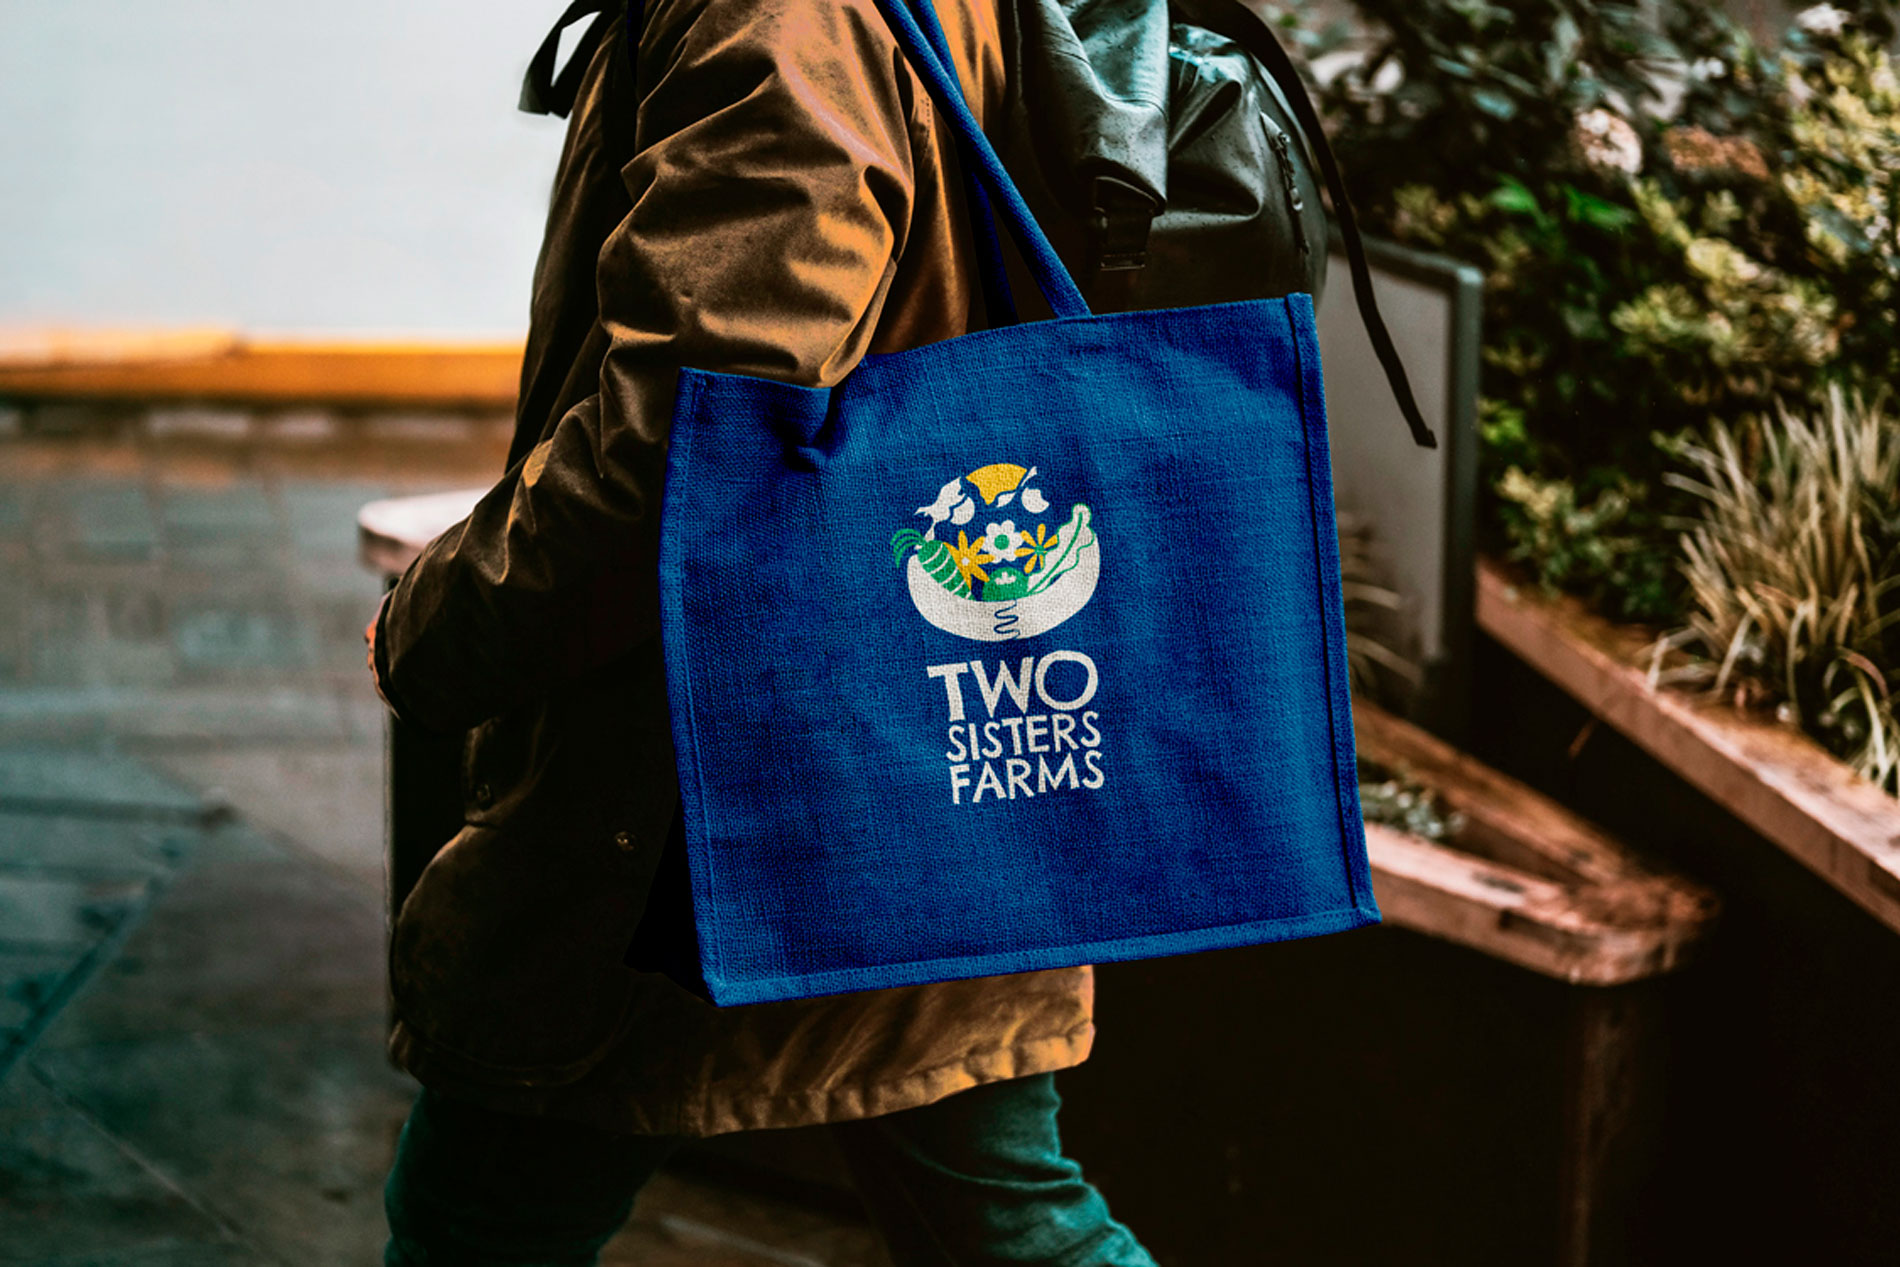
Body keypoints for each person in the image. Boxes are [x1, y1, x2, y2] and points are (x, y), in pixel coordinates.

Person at [365, 0, 1157, 1262]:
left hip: (705, 786)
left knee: (480, 1214)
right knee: (999, 1210)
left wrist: (435, 627)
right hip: (927, 724)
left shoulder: (780, 20)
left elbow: (693, 434)